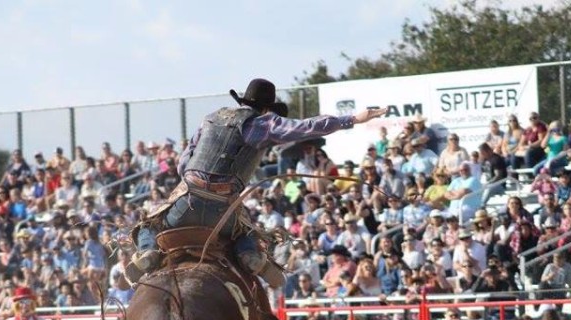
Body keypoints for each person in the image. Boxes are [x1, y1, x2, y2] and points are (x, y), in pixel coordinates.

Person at [128, 78, 387, 287]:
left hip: (186, 203)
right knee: (246, 232)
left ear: (244, 100)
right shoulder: (263, 124)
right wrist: (352, 119)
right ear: (266, 107)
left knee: (148, 224)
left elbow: (183, 164)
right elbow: (306, 127)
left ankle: (148, 252)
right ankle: (251, 256)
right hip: (223, 211)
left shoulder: (211, 118)